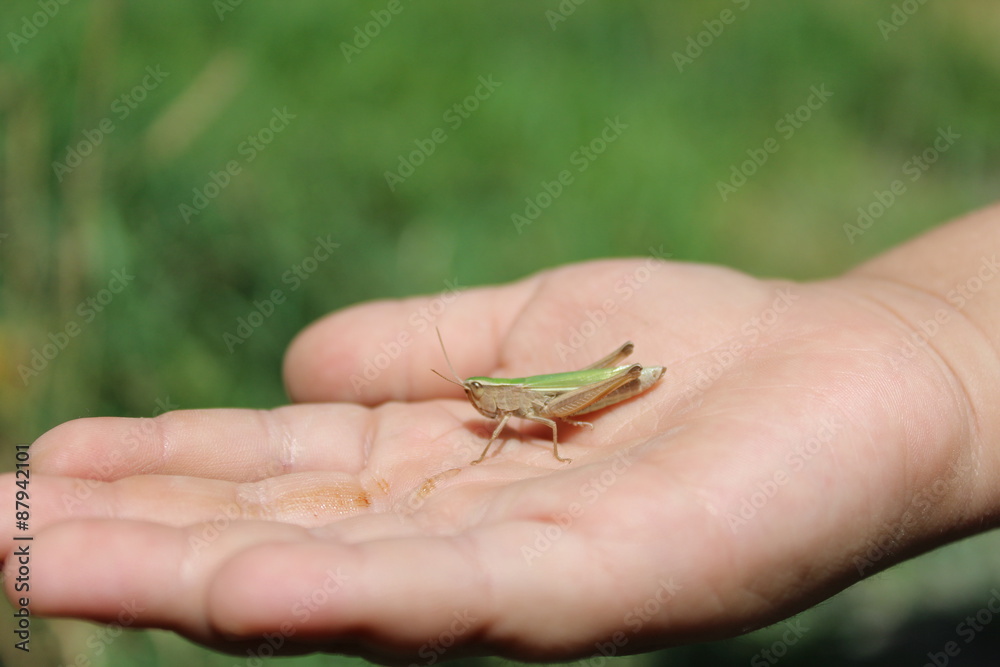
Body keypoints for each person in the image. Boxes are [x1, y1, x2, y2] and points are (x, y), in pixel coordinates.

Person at [6, 203, 1000, 663]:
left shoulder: (519, 406)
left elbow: (529, 417)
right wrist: (935, 333)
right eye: (479, 396)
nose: (481, 403)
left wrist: (943, 346)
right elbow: (496, 413)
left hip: (585, 388)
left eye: (482, 393)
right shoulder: (491, 403)